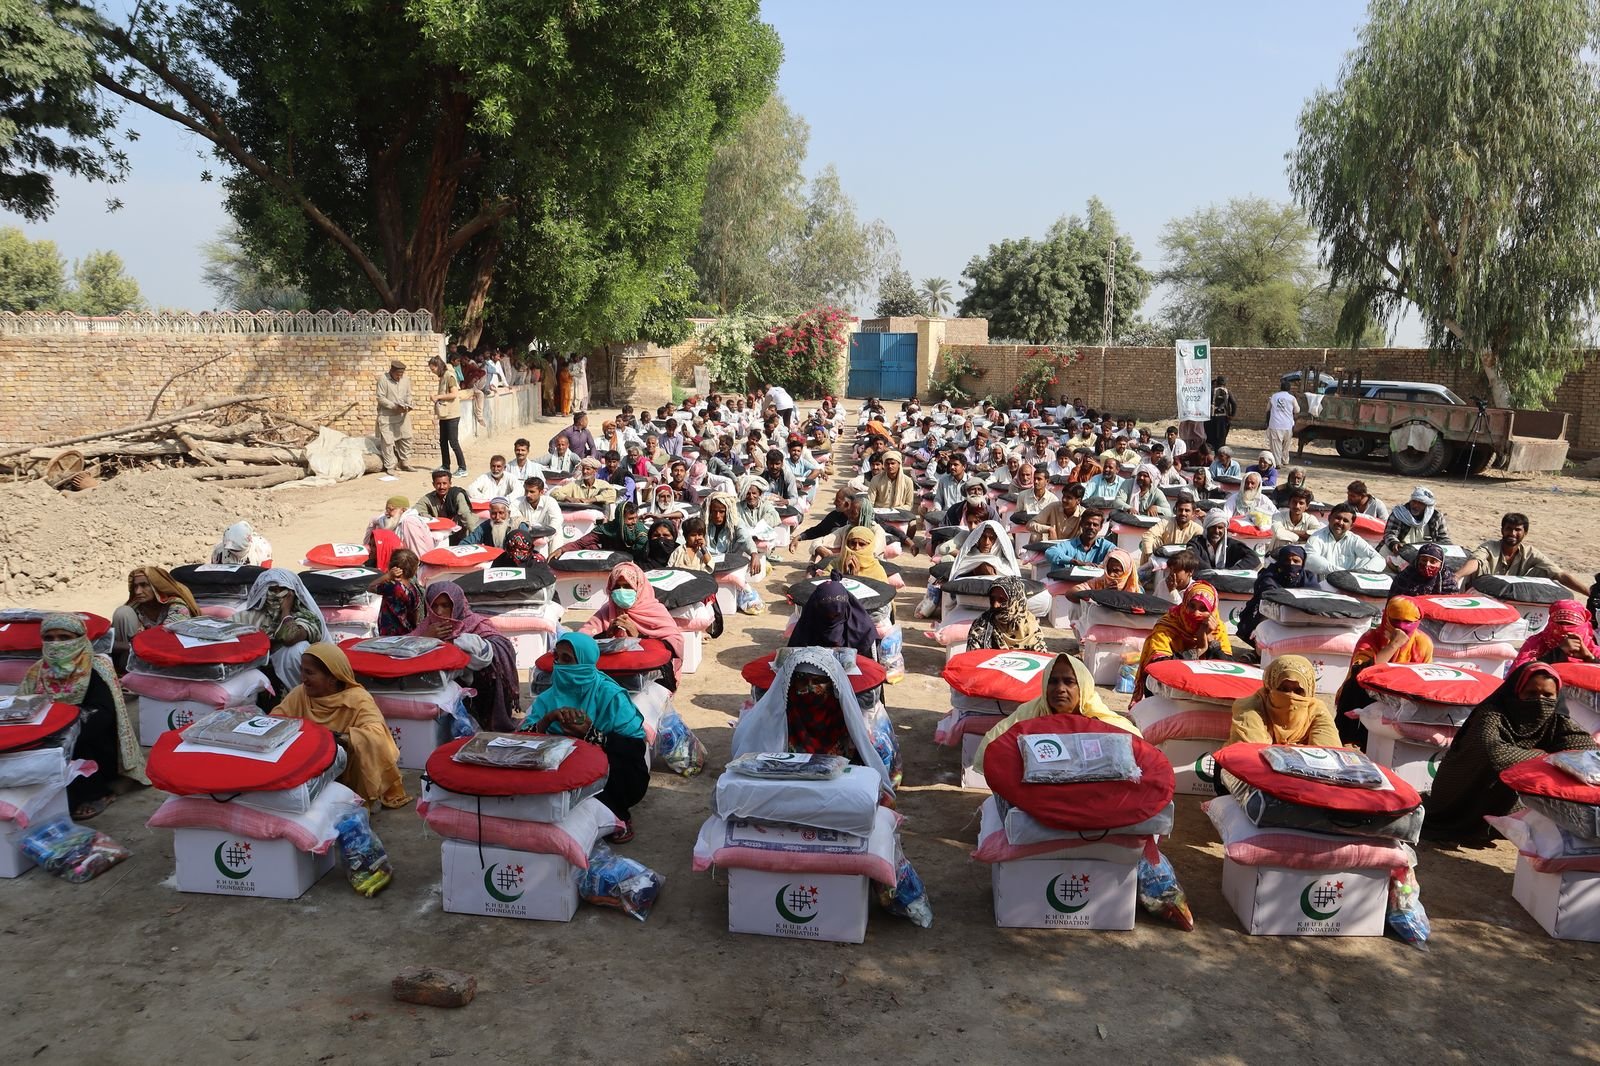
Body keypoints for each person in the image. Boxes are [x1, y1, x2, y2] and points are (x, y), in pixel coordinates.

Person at [1423, 663, 1598, 843]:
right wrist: (1546, 757)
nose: (1539, 701)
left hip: (1504, 796)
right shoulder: (1491, 714)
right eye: (1531, 694)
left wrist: (1565, 760)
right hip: (1464, 792)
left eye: (1547, 695)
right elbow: (1494, 754)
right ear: (1516, 693)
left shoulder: (1555, 719)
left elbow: (1585, 750)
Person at [20, 612, 148, 819]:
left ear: (79, 639)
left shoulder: (96, 667)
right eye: (49, 638)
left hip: (90, 737)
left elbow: (104, 714)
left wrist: (65, 729)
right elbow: (24, 702)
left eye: (64, 638)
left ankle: (99, 793)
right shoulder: (38, 670)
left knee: (78, 744)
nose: (56, 644)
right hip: (48, 733)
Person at [522, 633, 648, 840]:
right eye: (557, 657)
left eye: (567, 660)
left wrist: (591, 734)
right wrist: (548, 720)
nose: (559, 665)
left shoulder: (610, 696)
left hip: (606, 772)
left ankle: (616, 813)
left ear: (585, 662)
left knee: (624, 766)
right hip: (559, 766)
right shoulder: (548, 698)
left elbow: (634, 748)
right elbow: (521, 741)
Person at [731, 648, 893, 800]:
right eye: (802, 680)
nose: (810, 688)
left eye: (818, 681)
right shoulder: (777, 714)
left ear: (831, 684)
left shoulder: (844, 716)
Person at [276, 643, 409, 809]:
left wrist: (338, 739)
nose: (302, 678)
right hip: (307, 767)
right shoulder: (299, 694)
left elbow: (378, 736)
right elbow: (276, 722)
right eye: (302, 670)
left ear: (332, 678)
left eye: (309, 673)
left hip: (347, 773)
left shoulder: (358, 699)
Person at [971, 654, 1139, 775]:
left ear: (1083, 686)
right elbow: (994, 743)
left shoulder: (1101, 719)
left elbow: (1135, 744)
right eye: (1053, 682)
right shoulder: (1030, 713)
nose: (1060, 689)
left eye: (1069, 682)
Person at [413, 582, 519, 731]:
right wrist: (426, 638)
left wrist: (458, 644)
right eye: (434, 606)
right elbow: (403, 648)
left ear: (456, 605)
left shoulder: (475, 624)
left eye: (445, 605)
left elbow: (502, 647)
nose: (439, 611)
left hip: (479, 695)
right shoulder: (427, 627)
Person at [1332, 596, 1432, 744]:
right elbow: (1361, 673)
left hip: (1399, 698)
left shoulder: (1422, 644)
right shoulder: (1371, 638)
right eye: (1396, 620)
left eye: (1408, 622)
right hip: (1362, 694)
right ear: (1386, 617)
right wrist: (1393, 646)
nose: (1401, 627)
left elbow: (1423, 679)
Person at [580, 562, 686, 685]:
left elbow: (675, 643)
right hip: (611, 673)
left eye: (627, 586)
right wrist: (607, 634)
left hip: (648, 674)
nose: (621, 591)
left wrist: (639, 637)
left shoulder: (655, 611)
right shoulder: (607, 611)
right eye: (617, 587)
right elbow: (582, 639)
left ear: (639, 587)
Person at [1131, 582, 1233, 703]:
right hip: (1167, 689)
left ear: (1212, 610)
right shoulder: (1167, 625)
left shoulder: (1217, 628)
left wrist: (1210, 640)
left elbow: (1230, 668)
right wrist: (1199, 650)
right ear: (1184, 604)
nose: (1196, 613)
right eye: (1192, 606)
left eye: (1203, 609)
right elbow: (1158, 666)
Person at [237, 568, 333, 690]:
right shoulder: (252, 616)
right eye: (272, 590)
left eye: (281, 590)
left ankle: (303, 697)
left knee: (297, 649)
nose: (277, 594)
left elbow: (290, 637)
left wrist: (285, 612)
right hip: (259, 673)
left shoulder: (306, 616)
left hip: (304, 680)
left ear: (291, 594)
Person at [1454, 512, 1591, 596]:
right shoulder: (1490, 546)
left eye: (1517, 530)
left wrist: (1590, 594)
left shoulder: (1530, 552)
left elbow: (1560, 574)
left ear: (1525, 533)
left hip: (1514, 594)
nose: (1512, 534)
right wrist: (1457, 576)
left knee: (1546, 571)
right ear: (1502, 531)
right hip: (1484, 591)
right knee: (1479, 563)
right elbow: (1475, 561)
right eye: (1508, 529)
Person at [1226, 655, 1341, 746]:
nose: (1291, 696)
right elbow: (1251, 753)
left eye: (1298, 691)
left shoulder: (1316, 710)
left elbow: (1329, 752)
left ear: (1308, 692)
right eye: (1283, 689)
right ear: (1270, 687)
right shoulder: (1250, 707)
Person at [111, 566, 198, 672]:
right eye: (135, 586)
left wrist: (125, 646)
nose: (138, 591)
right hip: (135, 657)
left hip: (166, 659)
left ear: (156, 587)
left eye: (144, 585)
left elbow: (166, 641)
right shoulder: (135, 607)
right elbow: (112, 638)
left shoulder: (177, 607)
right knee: (122, 612)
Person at [1236, 545, 1317, 643]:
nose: (1291, 564)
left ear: (1303, 563)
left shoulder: (1308, 577)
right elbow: (1271, 593)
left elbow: (1314, 596)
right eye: (1287, 560)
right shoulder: (1269, 575)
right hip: (1268, 613)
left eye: (1296, 561)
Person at [790, 577, 879, 661]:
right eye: (827, 614)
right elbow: (793, 658)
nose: (832, 618)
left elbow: (867, 664)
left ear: (846, 606)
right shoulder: (806, 626)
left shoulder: (863, 631)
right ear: (816, 606)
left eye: (837, 615)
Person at [964, 575, 1048, 653]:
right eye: (993, 598)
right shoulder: (981, 625)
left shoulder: (1031, 626)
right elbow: (973, 658)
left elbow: (1042, 660)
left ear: (1016, 601)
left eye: (1002, 600)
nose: (995, 605)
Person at [1509, 600, 1600, 670]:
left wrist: (1589, 658)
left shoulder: (1593, 651)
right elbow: (1519, 676)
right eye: (1559, 623)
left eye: (1571, 625)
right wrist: (1558, 652)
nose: (1565, 629)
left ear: (1583, 627)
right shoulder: (1534, 646)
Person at [1303, 504, 1385, 577]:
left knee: (1368, 559)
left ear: (1351, 526)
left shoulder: (1354, 539)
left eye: (1345, 521)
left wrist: (1361, 573)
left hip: (1349, 582)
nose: (1340, 523)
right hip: (1323, 585)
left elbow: (1380, 559)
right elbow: (1310, 559)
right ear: (1329, 518)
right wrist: (1341, 572)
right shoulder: (1317, 537)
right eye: (1338, 518)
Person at [1380, 486, 1450, 561]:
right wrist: (1394, 543)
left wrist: (1451, 547)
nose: (1415, 505)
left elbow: (1443, 538)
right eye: (1414, 501)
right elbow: (1390, 534)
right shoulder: (1399, 513)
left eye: (1420, 503)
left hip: (1426, 555)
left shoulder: (1436, 517)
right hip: (1399, 552)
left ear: (1427, 506)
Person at [368, 548, 425, 636]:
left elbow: (370, 587)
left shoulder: (391, 587)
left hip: (390, 635)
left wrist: (387, 576)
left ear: (392, 567)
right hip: (408, 633)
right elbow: (415, 613)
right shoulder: (413, 588)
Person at [414, 469, 479, 544]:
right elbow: (416, 510)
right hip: (441, 533)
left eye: (444, 483)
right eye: (438, 484)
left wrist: (475, 537)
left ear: (450, 484)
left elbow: (466, 516)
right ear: (433, 484)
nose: (441, 487)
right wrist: (433, 519)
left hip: (461, 532)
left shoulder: (457, 495)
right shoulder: (428, 498)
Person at [375, 359, 415, 475]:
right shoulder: (383, 379)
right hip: (387, 416)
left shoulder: (405, 380)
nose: (399, 377)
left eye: (401, 374)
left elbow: (408, 395)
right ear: (391, 371)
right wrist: (393, 406)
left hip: (403, 415)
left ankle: (405, 463)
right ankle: (390, 466)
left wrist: (409, 403)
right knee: (387, 442)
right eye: (398, 374)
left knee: (406, 438)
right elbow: (380, 397)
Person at [1186, 510, 1262, 572]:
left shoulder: (1232, 544)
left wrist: (1231, 571)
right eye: (1213, 527)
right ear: (1207, 527)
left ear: (1224, 529)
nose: (1216, 531)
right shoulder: (1196, 543)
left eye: (1220, 527)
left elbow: (1253, 558)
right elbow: (1192, 558)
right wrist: (1213, 572)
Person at [366, 494, 436, 562]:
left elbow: (417, 551)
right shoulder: (390, 519)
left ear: (403, 510)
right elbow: (375, 520)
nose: (387, 513)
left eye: (391, 510)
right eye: (387, 510)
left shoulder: (409, 522)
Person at [429, 355, 467, 476]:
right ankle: (446, 465)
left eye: (433, 369)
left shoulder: (449, 376)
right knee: (443, 441)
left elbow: (454, 394)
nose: (432, 372)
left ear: (438, 366)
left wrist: (438, 397)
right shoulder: (442, 377)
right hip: (444, 415)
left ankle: (462, 468)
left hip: (452, 414)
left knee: (453, 442)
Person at [1044, 509, 1115, 567]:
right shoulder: (1069, 545)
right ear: (1081, 524)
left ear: (1100, 528)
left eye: (1095, 525)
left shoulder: (1106, 546)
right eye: (1088, 524)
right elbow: (1050, 552)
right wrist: (1074, 562)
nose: (1091, 527)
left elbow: (1118, 555)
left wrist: (1102, 565)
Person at [1389, 542, 1460, 598]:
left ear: (1441, 564)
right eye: (1423, 560)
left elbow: (1451, 604)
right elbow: (1395, 601)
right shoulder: (1404, 577)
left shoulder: (1447, 581)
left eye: (1433, 561)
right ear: (1417, 560)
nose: (1427, 564)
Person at [1269, 487, 1322, 552]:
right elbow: (1279, 533)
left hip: (1299, 559)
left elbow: (1318, 534)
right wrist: (1303, 538)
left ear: (1307, 506)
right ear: (1289, 503)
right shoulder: (1278, 516)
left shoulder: (1310, 519)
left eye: (1301, 503)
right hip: (1276, 556)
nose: (1297, 506)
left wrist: (1289, 532)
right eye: (1294, 502)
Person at [1265, 381, 1300, 468]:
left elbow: (1267, 409)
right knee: (1286, 445)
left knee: (1276, 445)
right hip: (1287, 425)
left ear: (1280, 387)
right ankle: (1285, 460)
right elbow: (1297, 410)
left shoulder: (1274, 396)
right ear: (1289, 389)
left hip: (1275, 425)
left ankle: (1277, 463)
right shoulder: (1292, 398)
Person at [1208, 377, 1236, 449]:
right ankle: (1219, 453)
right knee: (1221, 439)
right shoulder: (1228, 392)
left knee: (1211, 438)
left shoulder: (1211, 391)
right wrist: (1232, 415)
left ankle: (1211, 454)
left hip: (1212, 419)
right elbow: (1234, 403)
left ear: (1217, 382)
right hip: (1224, 419)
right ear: (1225, 383)